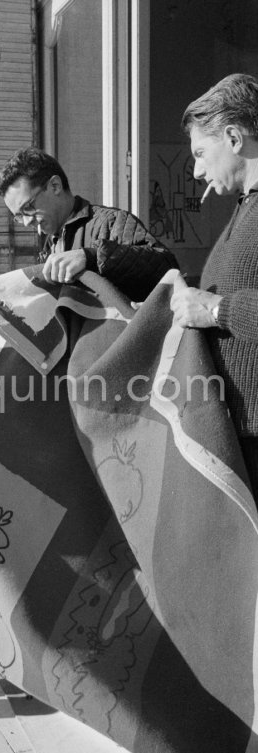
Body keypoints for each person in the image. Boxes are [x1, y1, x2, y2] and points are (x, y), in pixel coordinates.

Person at [170, 73, 258, 498]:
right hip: (238, 434)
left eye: (201, 153)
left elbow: (223, 306)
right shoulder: (245, 207)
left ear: (234, 137)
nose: (199, 169)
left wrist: (217, 310)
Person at [0, 147, 178, 301]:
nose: (26, 222)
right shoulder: (51, 244)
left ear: (55, 186)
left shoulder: (111, 222)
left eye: (28, 207)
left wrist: (92, 256)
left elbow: (166, 264)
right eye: (18, 216)